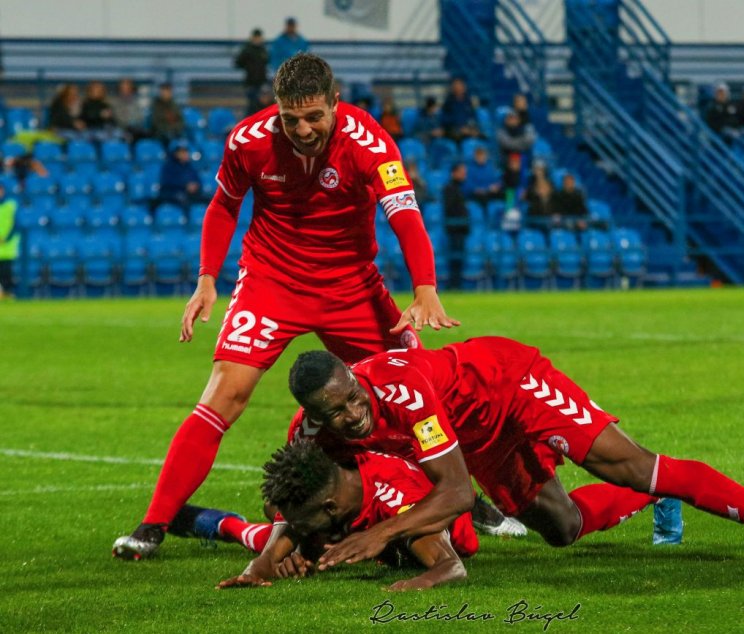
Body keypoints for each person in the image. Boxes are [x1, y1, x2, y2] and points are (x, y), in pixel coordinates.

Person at [112, 52, 460, 561]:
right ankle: (153, 523)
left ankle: (458, 493)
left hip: (350, 286)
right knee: (224, 395)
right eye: (290, 118)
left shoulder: (370, 141)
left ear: (335, 103)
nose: (302, 129)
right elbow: (224, 205)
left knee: (414, 385)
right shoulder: (248, 141)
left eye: (314, 116)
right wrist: (206, 279)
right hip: (272, 281)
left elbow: (404, 214)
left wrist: (425, 288)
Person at [284, 338, 744, 572]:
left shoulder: (401, 389)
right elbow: (292, 493)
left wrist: (380, 535)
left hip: (512, 384)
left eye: (354, 397)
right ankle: (652, 501)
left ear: (353, 375)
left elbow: (454, 492)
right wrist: (277, 554)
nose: (353, 414)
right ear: (313, 414)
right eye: (337, 412)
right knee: (563, 528)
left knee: (632, 465)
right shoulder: (308, 436)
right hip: (475, 436)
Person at [216, 443, 479, 590]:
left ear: (330, 507)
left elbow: (451, 567)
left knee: (277, 534)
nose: (297, 529)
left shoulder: (396, 502)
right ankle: (217, 523)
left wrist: (414, 585)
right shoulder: (333, 479)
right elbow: (279, 534)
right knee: (275, 512)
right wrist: (256, 569)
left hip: (437, 520)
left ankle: (224, 525)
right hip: (347, 523)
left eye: (301, 525)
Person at [442, 162, 469, 290]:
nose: (464, 175)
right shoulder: (450, 188)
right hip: (454, 228)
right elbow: (451, 208)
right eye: (462, 172)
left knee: (458, 257)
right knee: (454, 257)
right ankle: (453, 284)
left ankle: (456, 283)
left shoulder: (461, 188)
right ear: (454, 173)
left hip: (461, 228)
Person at [157, 142, 203, 212]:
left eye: (186, 152)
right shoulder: (169, 166)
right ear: (176, 154)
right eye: (182, 152)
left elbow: (197, 180)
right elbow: (167, 182)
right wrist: (185, 185)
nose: (186, 154)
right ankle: (185, 217)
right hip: (172, 193)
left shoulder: (190, 166)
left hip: (190, 193)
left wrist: (195, 185)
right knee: (182, 199)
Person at [235, 28, 270, 117]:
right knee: (252, 105)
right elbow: (238, 63)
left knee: (260, 106)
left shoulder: (263, 49)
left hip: (261, 81)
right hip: (251, 82)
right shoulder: (247, 49)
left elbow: (266, 62)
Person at [440, 77, 480, 143]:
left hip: (468, 130)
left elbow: (473, 117)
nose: (458, 88)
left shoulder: (469, 102)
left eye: (460, 86)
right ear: (452, 88)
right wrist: (460, 128)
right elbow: (445, 120)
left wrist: (470, 128)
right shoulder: (448, 103)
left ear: (464, 88)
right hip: (454, 131)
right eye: (456, 86)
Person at [112, 78, 148, 143]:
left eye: (128, 88)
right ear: (119, 89)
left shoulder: (137, 102)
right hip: (120, 129)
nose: (125, 90)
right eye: (123, 88)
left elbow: (140, 117)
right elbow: (116, 117)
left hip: (135, 129)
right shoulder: (114, 102)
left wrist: (133, 123)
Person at [0, 183, 18, 299]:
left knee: (6, 272)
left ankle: (7, 293)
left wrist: (6, 238)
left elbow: (16, 224)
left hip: (7, 247)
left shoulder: (11, 205)